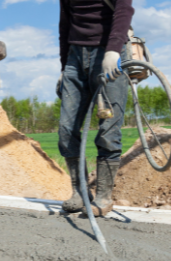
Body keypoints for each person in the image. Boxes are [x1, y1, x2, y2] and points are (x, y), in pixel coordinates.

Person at [58, 0, 134, 216]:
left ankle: (104, 196)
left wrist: (113, 50)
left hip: (108, 53)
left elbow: (124, 9)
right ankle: (80, 192)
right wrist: (64, 67)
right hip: (75, 58)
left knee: (108, 129)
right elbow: (65, 23)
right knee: (66, 129)